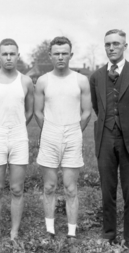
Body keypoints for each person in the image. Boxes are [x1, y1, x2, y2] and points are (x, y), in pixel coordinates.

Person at [90, 29, 129, 248]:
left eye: (116, 44)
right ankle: (108, 234)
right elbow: (98, 107)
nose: (111, 48)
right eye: (107, 44)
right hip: (105, 138)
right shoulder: (97, 76)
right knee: (107, 190)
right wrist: (110, 125)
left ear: (125, 46)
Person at [34, 36, 92, 242]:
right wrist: (50, 130)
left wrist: (75, 131)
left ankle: (71, 231)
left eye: (64, 53)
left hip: (73, 133)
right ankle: (49, 229)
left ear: (70, 55)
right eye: (56, 53)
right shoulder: (43, 80)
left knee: (70, 187)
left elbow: (86, 112)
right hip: (49, 133)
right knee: (49, 186)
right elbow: (38, 112)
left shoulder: (81, 80)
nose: (60, 57)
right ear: (50, 56)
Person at [0, 38, 34, 248]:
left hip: (19, 136)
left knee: (17, 188)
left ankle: (14, 233)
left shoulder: (26, 81)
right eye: (5, 54)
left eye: (12, 54)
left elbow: (29, 110)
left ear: (18, 56)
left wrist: (18, 127)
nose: (9, 57)